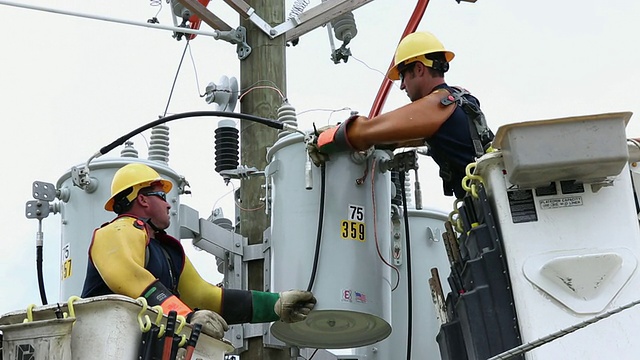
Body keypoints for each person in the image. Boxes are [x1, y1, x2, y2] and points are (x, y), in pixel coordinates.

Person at [81, 163, 317, 339]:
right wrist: (187, 316)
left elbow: (205, 297)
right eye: (162, 196)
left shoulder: (168, 251)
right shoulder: (116, 232)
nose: (168, 203)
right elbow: (130, 279)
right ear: (142, 199)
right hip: (102, 344)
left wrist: (275, 305)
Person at [311, 31, 494, 199]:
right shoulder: (462, 100)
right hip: (491, 207)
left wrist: (323, 139)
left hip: (489, 208)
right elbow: (397, 139)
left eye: (403, 75)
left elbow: (364, 131)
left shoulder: (439, 105)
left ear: (419, 69)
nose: (402, 86)